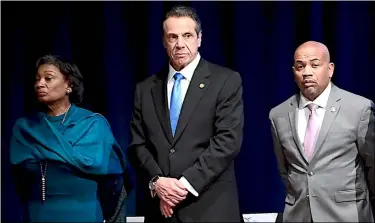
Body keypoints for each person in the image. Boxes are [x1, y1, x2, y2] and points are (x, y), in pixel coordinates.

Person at [127, 5, 244, 223]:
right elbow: (137, 144)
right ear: (164, 41)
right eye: (172, 37)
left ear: (199, 38)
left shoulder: (225, 81)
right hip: (161, 212)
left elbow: (227, 141)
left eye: (187, 35)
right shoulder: (145, 89)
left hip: (210, 209)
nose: (180, 44)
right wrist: (158, 182)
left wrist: (182, 187)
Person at [10, 55, 127, 222]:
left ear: (69, 85)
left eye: (48, 78)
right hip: (38, 215)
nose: (39, 84)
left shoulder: (93, 124)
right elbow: (19, 181)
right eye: (37, 79)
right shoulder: (25, 128)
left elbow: (113, 181)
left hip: (85, 215)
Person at [269, 41, 375, 222]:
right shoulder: (278, 114)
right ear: (293, 72)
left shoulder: (359, 108)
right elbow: (285, 170)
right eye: (300, 67)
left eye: (315, 65)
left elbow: (371, 166)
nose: (307, 72)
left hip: (347, 215)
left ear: (330, 69)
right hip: (299, 215)